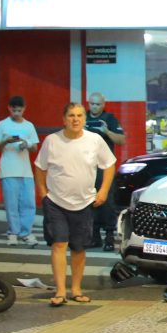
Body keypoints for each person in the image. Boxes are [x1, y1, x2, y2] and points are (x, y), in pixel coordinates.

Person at [34, 103, 116, 307]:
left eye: (79, 115)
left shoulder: (95, 140)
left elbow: (109, 165)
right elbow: (40, 168)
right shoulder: (52, 141)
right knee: (59, 243)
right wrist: (44, 194)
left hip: (85, 202)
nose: (75, 119)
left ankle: (76, 290)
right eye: (71, 115)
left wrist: (103, 190)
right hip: (56, 202)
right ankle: (60, 291)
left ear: (85, 119)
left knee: (79, 248)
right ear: (64, 119)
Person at [0, 96, 39, 247]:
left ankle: (26, 232)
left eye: (20, 110)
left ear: (24, 109)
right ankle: (13, 232)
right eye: (14, 109)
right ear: (9, 108)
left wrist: (26, 144)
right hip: (8, 170)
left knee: (28, 203)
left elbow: (35, 147)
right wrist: (6, 140)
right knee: (11, 204)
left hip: (26, 171)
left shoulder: (29, 126)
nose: (17, 112)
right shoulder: (2, 125)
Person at [85, 92, 125, 251]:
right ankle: (94, 237)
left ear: (103, 104)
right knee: (89, 201)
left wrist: (107, 131)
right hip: (86, 167)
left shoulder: (110, 119)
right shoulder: (82, 118)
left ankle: (109, 237)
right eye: (92, 104)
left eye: (98, 104)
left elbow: (121, 140)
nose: (94, 107)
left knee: (107, 202)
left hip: (104, 168)